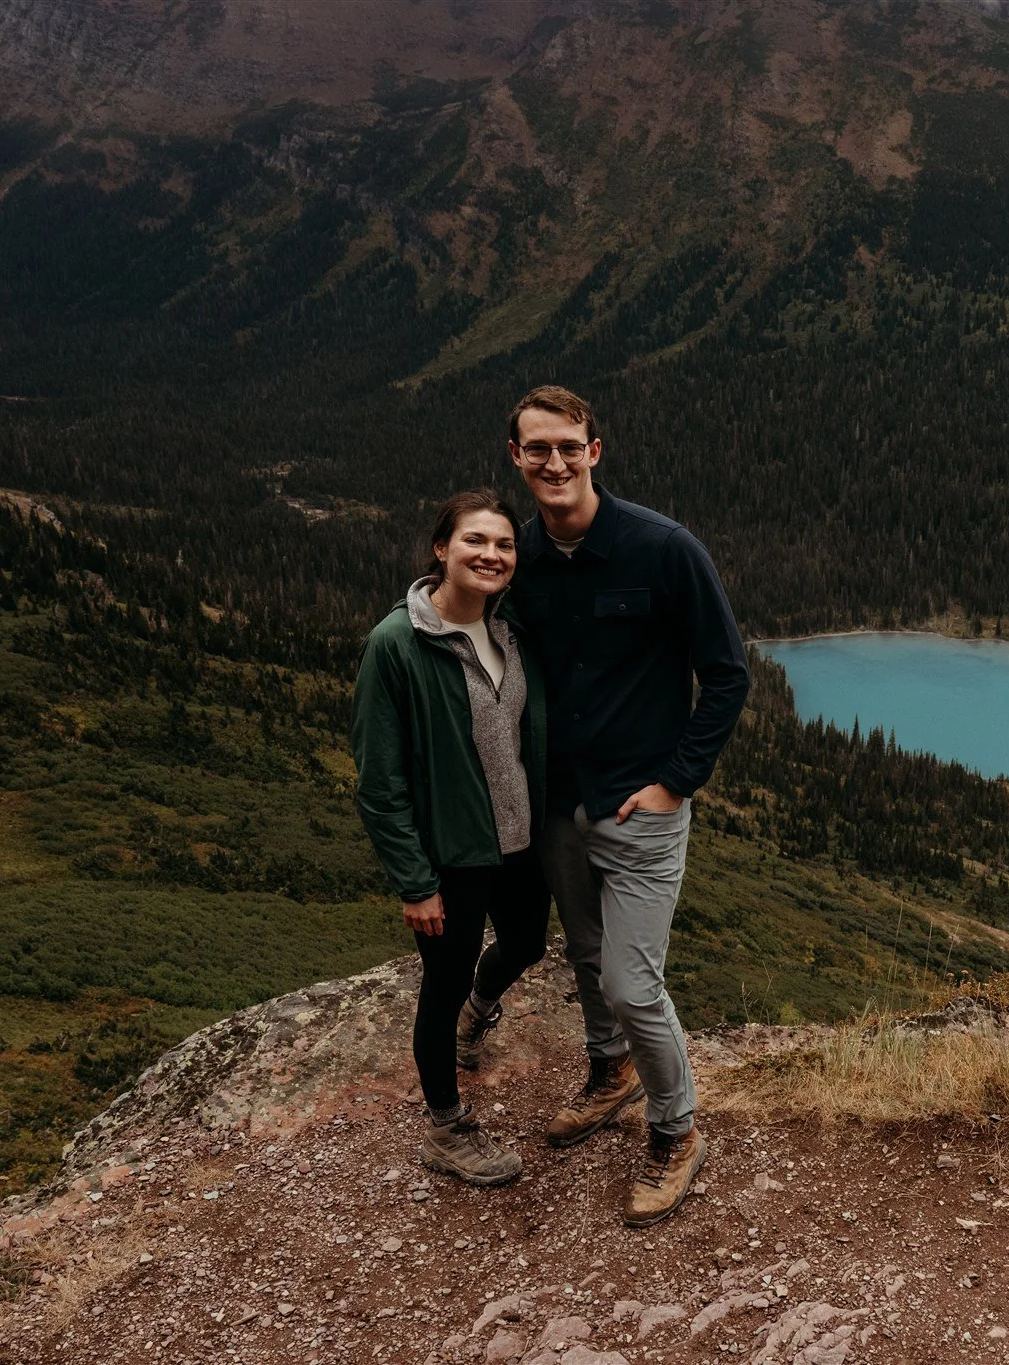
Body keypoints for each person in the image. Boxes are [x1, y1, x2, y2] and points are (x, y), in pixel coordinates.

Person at [465, 384, 749, 1227]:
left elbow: (727, 671)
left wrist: (675, 782)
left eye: (568, 446)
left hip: (642, 806)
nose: (553, 462)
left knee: (631, 979)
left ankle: (676, 1128)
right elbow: (458, 622)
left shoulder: (663, 548)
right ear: (515, 458)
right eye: (535, 449)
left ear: (596, 450)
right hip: (558, 804)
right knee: (587, 955)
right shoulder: (515, 556)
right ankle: (609, 1072)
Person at [351, 488, 552, 1187]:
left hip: (521, 839)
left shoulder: (510, 627)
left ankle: (480, 1013)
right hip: (454, 853)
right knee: (442, 980)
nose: (491, 555)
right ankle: (444, 1127)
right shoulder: (397, 645)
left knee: (527, 942)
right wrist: (415, 881)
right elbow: (379, 781)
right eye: (476, 541)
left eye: (504, 545)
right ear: (442, 548)